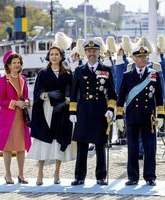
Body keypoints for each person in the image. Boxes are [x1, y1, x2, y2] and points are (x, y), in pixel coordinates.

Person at [29, 32, 76, 186]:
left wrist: (67, 100)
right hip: (46, 110)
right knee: (44, 140)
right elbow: (37, 92)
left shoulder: (67, 73)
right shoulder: (43, 73)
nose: (54, 56)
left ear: (61, 56)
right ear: (48, 56)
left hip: (61, 111)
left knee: (58, 140)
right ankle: (40, 172)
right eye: (51, 54)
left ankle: (56, 172)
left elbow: (72, 91)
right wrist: (46, 94)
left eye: (56, 54)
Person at [69, 39, 117, 186]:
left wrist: (110, 109)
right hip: (83, 111)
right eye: (89, 51)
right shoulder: (79, 71)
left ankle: (101, 176)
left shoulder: (106, 70)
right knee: (82, 145)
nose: (92, 53)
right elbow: (73, 93)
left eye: (94, 51)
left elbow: (112, 94)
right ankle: (79, 177)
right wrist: (72, 111)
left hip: (99, 111)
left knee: (100, 145)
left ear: (99, 52)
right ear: (85, 53)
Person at [116, 44, 164, 186]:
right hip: (132, 116)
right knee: (132, 148)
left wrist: (161, 116)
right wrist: (119, 116)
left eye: (144, 56)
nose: (141, 59)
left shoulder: (154, 74)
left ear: (147, 57)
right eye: (138, 57)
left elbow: (159, 97)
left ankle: (150, 176)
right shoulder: (127, 75)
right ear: (133, 58)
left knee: (150, 148)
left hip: (149, 118)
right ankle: (133, 177)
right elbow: (121, 97)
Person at [0, 50, 32, 184]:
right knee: (7, 147)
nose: (17, 65)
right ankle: (8, 175)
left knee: (21, 147)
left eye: (18, 62)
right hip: (8, 118)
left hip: (21, 118)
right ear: (8, 65)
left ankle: (21, 175)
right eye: (14, 63)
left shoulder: (23, 79)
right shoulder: (3, 80)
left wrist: (27, 103)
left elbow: (26, 97)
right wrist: (15, 103)